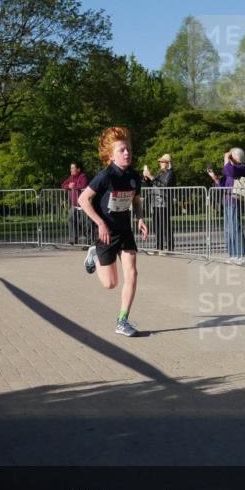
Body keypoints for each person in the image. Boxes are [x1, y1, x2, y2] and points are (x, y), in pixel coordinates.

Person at [79, 127, 149, 336]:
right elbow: (83, 200)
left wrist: (140, 218)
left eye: (128, 149)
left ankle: (122, 321)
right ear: (111, 155)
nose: (126, 153)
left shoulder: (135, 177)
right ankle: (94, 254)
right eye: (121, 150)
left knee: (132, 273)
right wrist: (100, 223)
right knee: (110, 283)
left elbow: (136, 201)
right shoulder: (105, 176)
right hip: (107, 232)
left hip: (125, 230)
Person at [207, 148, 245, 264]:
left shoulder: (241, 168)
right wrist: (215, 178)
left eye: (232, 155)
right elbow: (222, 187)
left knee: (235, 227)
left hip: (235, 200)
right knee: (228, 229)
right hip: (226, 201)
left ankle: (242, 255)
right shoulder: (229, 171)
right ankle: (232, 255)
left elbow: (229, 171)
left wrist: (226, 158)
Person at [142, 153, 177, 252]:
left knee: (166, 225)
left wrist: (151, 177)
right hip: (155, 202)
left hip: (164, 202)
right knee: (157, 225)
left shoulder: (171, 173)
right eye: (160, 162)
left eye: (162, 162)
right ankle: (159, 246)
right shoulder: (160, 173)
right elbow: (152, 185)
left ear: (168, 163)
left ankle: (170, 248)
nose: (160, 163)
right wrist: (146, 178)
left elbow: (164, 186)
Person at [61, 162, 90, 245]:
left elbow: (83, 185)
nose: (71, 170)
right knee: (70, 218)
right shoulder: (71, 177)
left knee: (86, 223)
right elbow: (63, 185)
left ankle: (89, 241)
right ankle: (73, 239)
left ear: (78, 169)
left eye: (73, 168)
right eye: (71, 168)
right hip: (75, 205)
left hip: (84, 205)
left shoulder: (83, 176)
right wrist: (68, 186)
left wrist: (74, 186)